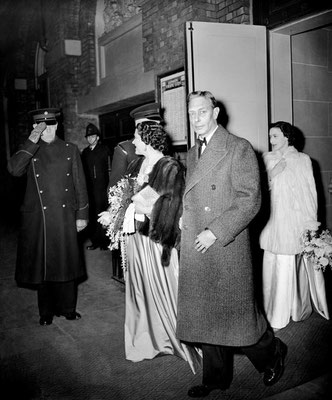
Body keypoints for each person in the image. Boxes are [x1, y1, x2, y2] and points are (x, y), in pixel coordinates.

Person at [176, 91, 287, 397]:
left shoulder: (238, 148)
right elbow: (194, 196)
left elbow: (250, 199)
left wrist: (216, 230)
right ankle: (215, 379)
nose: (196, 119)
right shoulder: (192, 151)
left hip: (225, 244)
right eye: (191, 113)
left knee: (238, 319)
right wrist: (184, 217)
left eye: (201, 112)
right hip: (198, 242)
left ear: (215, 113)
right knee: (206, 317)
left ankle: (272, 354)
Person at [98, 121, 201, 374]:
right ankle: (148, 338)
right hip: (136, 238)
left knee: (165, 286)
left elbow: (166, 204)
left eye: (136, 138)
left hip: (157, 240)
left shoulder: (169, 166)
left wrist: (127, 210)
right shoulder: (135, 164)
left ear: (147, 140)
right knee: (140, 288)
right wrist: (116, 213)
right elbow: (126, 197)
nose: (133, 143)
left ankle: (176, 337)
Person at [7, 108, 88, 326]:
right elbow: (14, 169)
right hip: (39, 219)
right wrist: (32, 139)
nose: (48, 129)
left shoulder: (70, 149)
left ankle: (68, 308)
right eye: (42, 125)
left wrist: (82, 215)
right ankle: (46, 312)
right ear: (36, 127)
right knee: (43, 267)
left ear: (57, 125)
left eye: (51, 124)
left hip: (64, 215)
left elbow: (80, 185)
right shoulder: (31, 150)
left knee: (66, 263)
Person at [259, 121, 329, 330]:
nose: (271, 141)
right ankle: (269, 312)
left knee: (288, 265)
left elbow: (310, 192)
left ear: (287, 137)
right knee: (271, 266)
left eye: (275, 136)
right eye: (270, 136)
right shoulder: (266, 159)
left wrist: (311, 222)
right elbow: (258, 191)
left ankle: (286, 312)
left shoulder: (303, 160)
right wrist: (272, 174)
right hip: (272, 221)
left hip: (294, 222)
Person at [107, 102, 163, 189]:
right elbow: (115, 187)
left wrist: (137, 201)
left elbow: (158, 194)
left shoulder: (167, 164)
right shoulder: (130, 155)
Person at [82, 123, 110, 250]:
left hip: (102, 189)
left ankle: (105, 242)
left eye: (92, 136)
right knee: (92, 215)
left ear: (98, 137)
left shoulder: (105, 150)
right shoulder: (85, 152)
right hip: (90, 190)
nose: (90, 139)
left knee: (102, 214)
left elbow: (110, 170)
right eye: (88, 137)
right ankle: (95, 241)